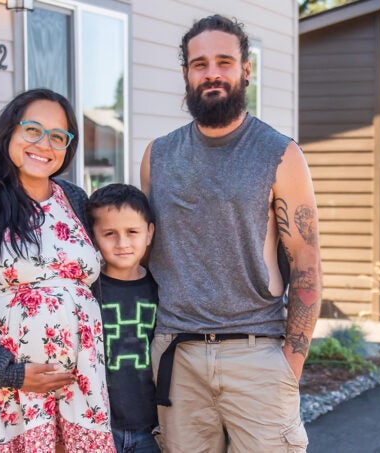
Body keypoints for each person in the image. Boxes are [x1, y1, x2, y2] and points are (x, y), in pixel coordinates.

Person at [140, 14, 322, 453]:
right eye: (199, 64)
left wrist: (289, 364)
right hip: (176, 356)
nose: (212, 73)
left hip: (255, 351)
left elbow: (306, 262)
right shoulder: (157, 156)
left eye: (224, 61)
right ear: (185, 74)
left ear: (246, 69)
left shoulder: (280, 153)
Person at [0, 88, 116, 452]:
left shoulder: (75, 200)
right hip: (6, 393)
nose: (44, 144)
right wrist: (8, 372)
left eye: (58, 137)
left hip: (80, 389)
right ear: (10, 132)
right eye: (33, 130)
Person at [87, 184, 161, 453]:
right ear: (93, 238)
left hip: (151, 427)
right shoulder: (86, 291)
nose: (122, 243)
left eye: (132, 232)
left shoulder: (162, 289)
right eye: (109, 234)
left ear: (149, 233)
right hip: (99, 427)